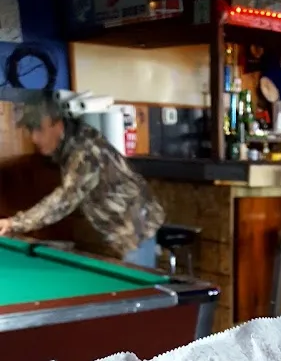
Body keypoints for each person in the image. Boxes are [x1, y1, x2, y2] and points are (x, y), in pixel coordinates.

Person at [0, 93, 164, 267]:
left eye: (37, 129)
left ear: (55, 123)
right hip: (120, 230)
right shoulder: (70, 142)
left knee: (138, 292)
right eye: (30, 130)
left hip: (136, 227)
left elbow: (64, 200)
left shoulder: (84, 151)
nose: (33, 138)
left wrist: (14, 223)